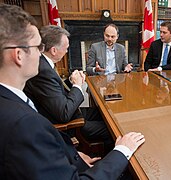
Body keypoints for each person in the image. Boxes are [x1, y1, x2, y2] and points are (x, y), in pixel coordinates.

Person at [0, 4, 145, 179]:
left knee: (107, 114)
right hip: (74, 134)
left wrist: (72, 156)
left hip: (69, 152)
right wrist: (122, 150)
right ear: (18, 55)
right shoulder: (24, 124)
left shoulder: (12, 101)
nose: (41, 54)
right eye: (38, 47)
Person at [23, 25, 113, 153]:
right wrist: (77, 86)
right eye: (65, 48)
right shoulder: (42, 70)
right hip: (66, 124)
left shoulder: (43, 63)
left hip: (67, 111)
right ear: (54, 50)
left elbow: (55, 89)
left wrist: (71, 81)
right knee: (110, 128)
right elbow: (64, 113)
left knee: (105, 113)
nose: (66, 51)